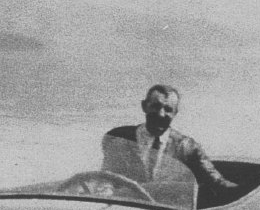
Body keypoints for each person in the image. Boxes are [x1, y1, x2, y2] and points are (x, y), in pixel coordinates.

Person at [102, 84, 238, 198]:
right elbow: (105, 180)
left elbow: (216, 181)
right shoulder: (121, 140)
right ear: (144, 106)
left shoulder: (187, 147)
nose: (161, 114)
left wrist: (243, 189)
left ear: (175, 113)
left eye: (168, 109)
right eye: (156, 106)